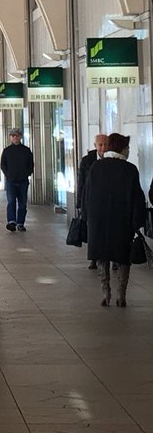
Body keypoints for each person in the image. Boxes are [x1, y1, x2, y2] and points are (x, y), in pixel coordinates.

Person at [83, 132, 146, 307]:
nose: (128, 151)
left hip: (99, 221)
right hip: (122, 222)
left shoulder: (97, 167)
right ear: (122, 149)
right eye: (127, 148)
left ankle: (106, 293)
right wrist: (138, 222)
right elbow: (137, 198)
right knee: (123, 258)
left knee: (102, 257)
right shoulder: (130, 169)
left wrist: (87, 217)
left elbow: (87, 194)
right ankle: (121, 295)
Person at [77, 133, 108, 269]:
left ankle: (112, 259)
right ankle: (94, 258)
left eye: (106, 144)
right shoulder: (87, 161)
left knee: (109, 230)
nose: (103, 148)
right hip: (91, 201)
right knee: (93, 231)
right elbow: (81, 183)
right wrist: (79, 202)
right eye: (100, 145)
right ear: (95, 146)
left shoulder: (112, 159)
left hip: (108, 201)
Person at [0, 129, 34, 232]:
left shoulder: (26, 150)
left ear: (21, 137)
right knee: (11, 201)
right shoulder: (7, 151)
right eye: (13, 135)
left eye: (17, 135)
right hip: (11, 181)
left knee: (22, 203)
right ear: (10, 137)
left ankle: (20, 223)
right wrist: (8, 174)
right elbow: (3, 164)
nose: (15, 137)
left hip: (23, 181)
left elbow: (31, 164)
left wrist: (27, 173)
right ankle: (11, 222)